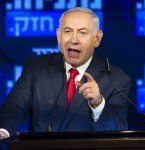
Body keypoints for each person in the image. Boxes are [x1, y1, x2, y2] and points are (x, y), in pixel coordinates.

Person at [0, 7, 131, 139]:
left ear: (97, 39)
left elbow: (118, 130)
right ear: (59, 36)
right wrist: (3, 130)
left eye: (82, 33)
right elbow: (15, 105)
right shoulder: (36, 67)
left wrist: (98, 104)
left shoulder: (117, 79)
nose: (74, 40)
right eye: (68, 31)